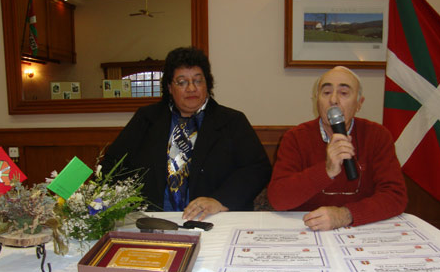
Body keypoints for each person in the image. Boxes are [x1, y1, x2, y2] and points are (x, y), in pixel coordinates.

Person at [101, 47, 271, 221]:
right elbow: (113, 165)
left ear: (207, 84)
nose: (191, 88)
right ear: (169, 87)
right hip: (152, 218)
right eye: (182, 82)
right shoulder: (146, 119)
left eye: (198, 81)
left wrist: (220, 200)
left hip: (211, 218)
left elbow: (257, 169)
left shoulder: (232, 121)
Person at [267, 66, 407, 230]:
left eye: (344, 93)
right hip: (307, 227)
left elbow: (395, 196)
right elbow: (278, 199)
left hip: (362, 228)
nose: (333, 100)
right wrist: (326, 171)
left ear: (359, 104)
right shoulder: (295, 138)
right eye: (326, 92)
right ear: (316, 100)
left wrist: (345, 215)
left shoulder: (377, 136)